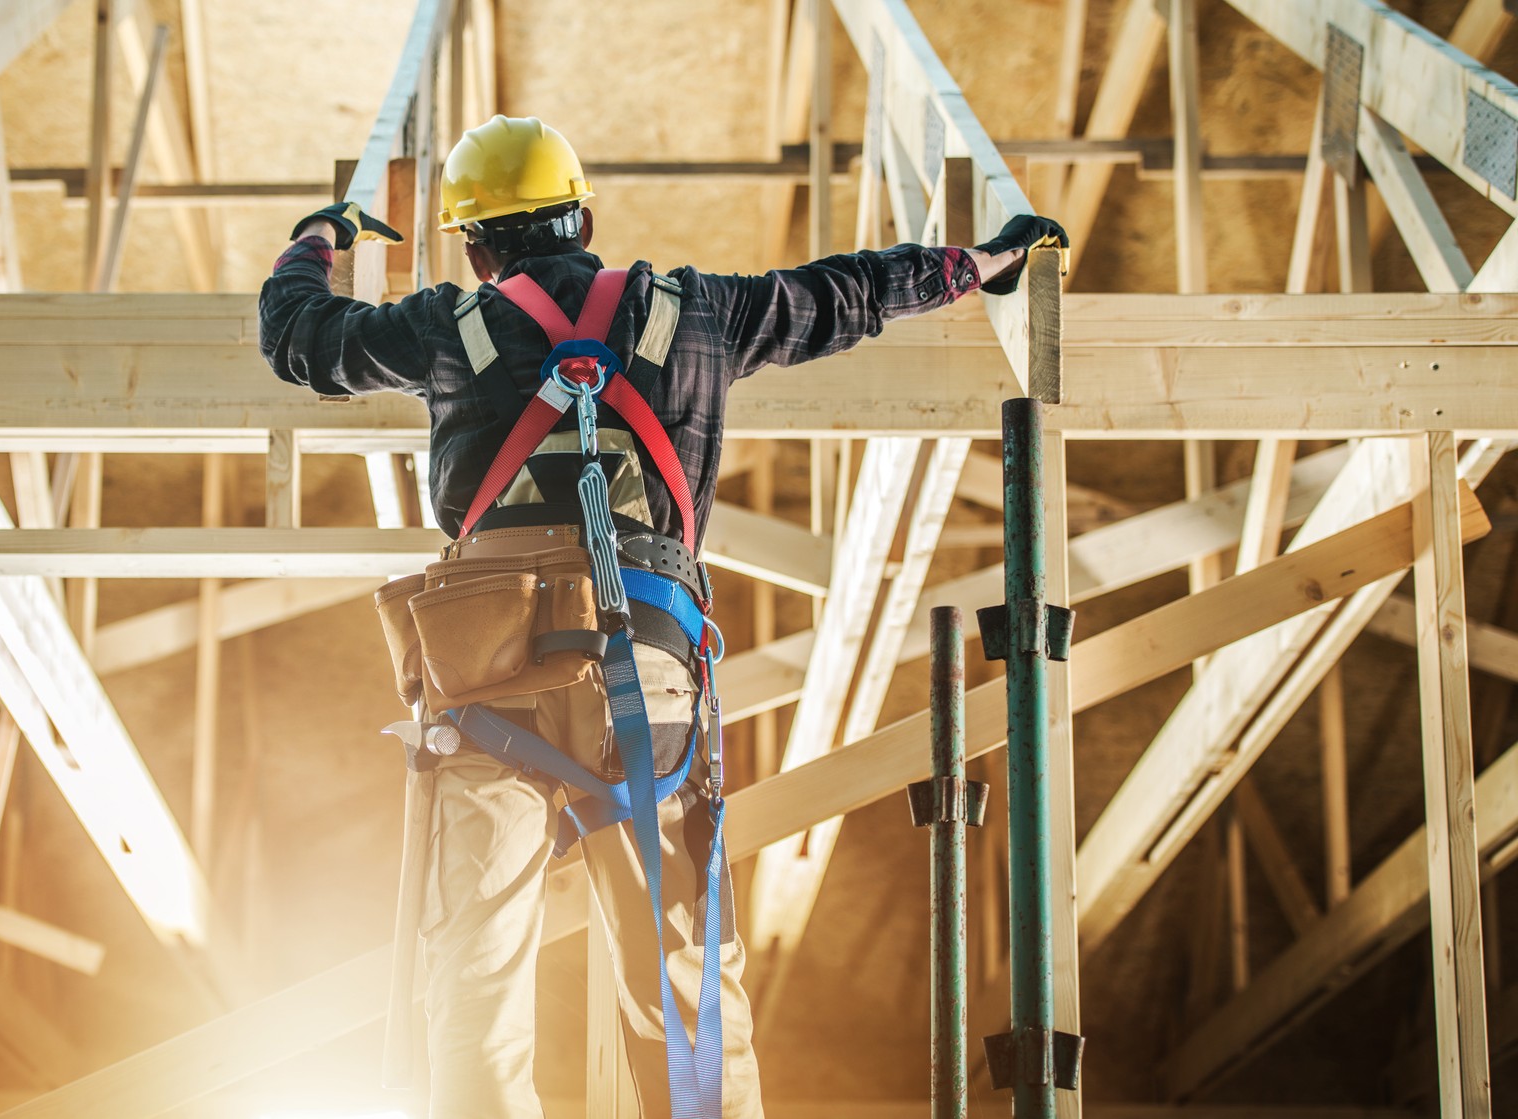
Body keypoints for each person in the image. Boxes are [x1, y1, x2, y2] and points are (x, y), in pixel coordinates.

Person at [260, 114, 1063, 1119]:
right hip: (640, 673)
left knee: (473, 969)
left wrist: (318, 239)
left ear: (476, 242)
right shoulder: (696, 315)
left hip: (481, 679)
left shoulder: (444, 326)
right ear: (584, 216)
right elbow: (847, 293)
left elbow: (297, 340)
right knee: (681, 975)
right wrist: (979, 261)